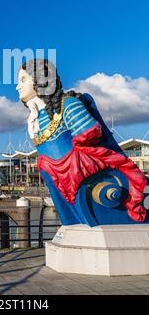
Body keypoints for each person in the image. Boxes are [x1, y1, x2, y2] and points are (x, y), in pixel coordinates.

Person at [16, 58, 147, 225]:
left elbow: (89, 133)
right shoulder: (36, 120)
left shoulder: (68, 105)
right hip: (57, 175)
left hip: (78, 171)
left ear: (40, 79)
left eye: (23, 80)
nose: (17, 86)